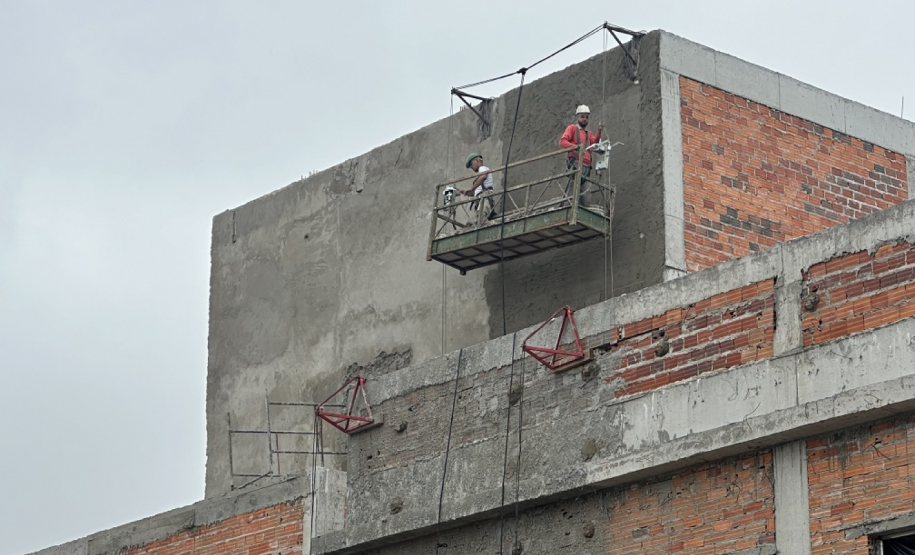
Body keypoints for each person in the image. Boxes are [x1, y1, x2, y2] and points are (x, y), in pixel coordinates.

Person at [559, 105, 603, 205]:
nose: (585, 119)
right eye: (582, 117)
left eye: (587, 117)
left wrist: (599, 130)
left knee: (585, 198)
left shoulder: (588, 133)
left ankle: (580, 210)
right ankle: (568, 210)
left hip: (586, 168)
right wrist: (577, 147)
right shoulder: (572, 128)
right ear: (577, 117)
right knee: (573, 194)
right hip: (576, 165)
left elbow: (594, 144)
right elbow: (562, 142)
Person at [462, 153, 496, 224]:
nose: (471, 167)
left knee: (481, 218)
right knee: (476, 221)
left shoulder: (482, 168)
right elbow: (475, 193)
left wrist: (472, 189)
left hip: (485, 197)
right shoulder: (480, 175)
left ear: (477, 160)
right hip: (481, 198)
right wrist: (464, 192)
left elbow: (483, 177)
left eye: (471, 164)